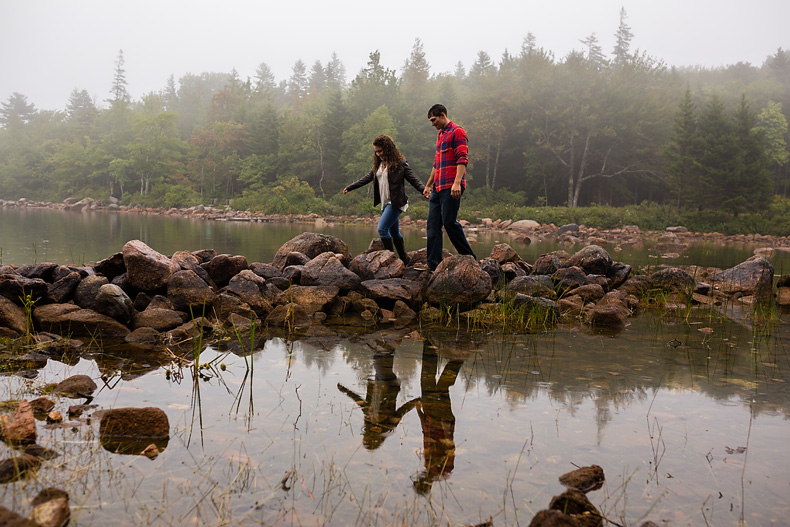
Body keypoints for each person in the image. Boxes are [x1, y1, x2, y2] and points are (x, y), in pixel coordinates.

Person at [344, 134, 425, 264]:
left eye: (380, 151)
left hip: (395, 203)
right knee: (394, 232)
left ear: (388, 149)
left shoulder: (400, 163)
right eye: (376, 151)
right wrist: (350, 187)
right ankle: (405, 259)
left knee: (382, 229)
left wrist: (423, 190)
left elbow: (413, 179)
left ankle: (391, 260)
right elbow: (367, 178)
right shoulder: (379, 164)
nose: (378, 154)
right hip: (384, 203)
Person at [422, 104, 477, 271]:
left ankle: (470, 259)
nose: (432, 123)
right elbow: (436, 163)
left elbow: (462, 158)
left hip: (452, 186)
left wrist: (457, 182)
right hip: (438, 187)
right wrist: (428, 185)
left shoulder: (457, 131)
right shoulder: (440, 135)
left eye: (434, 119)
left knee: (449, 222)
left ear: (443, 115)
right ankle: (434, 265)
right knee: (432, 225)